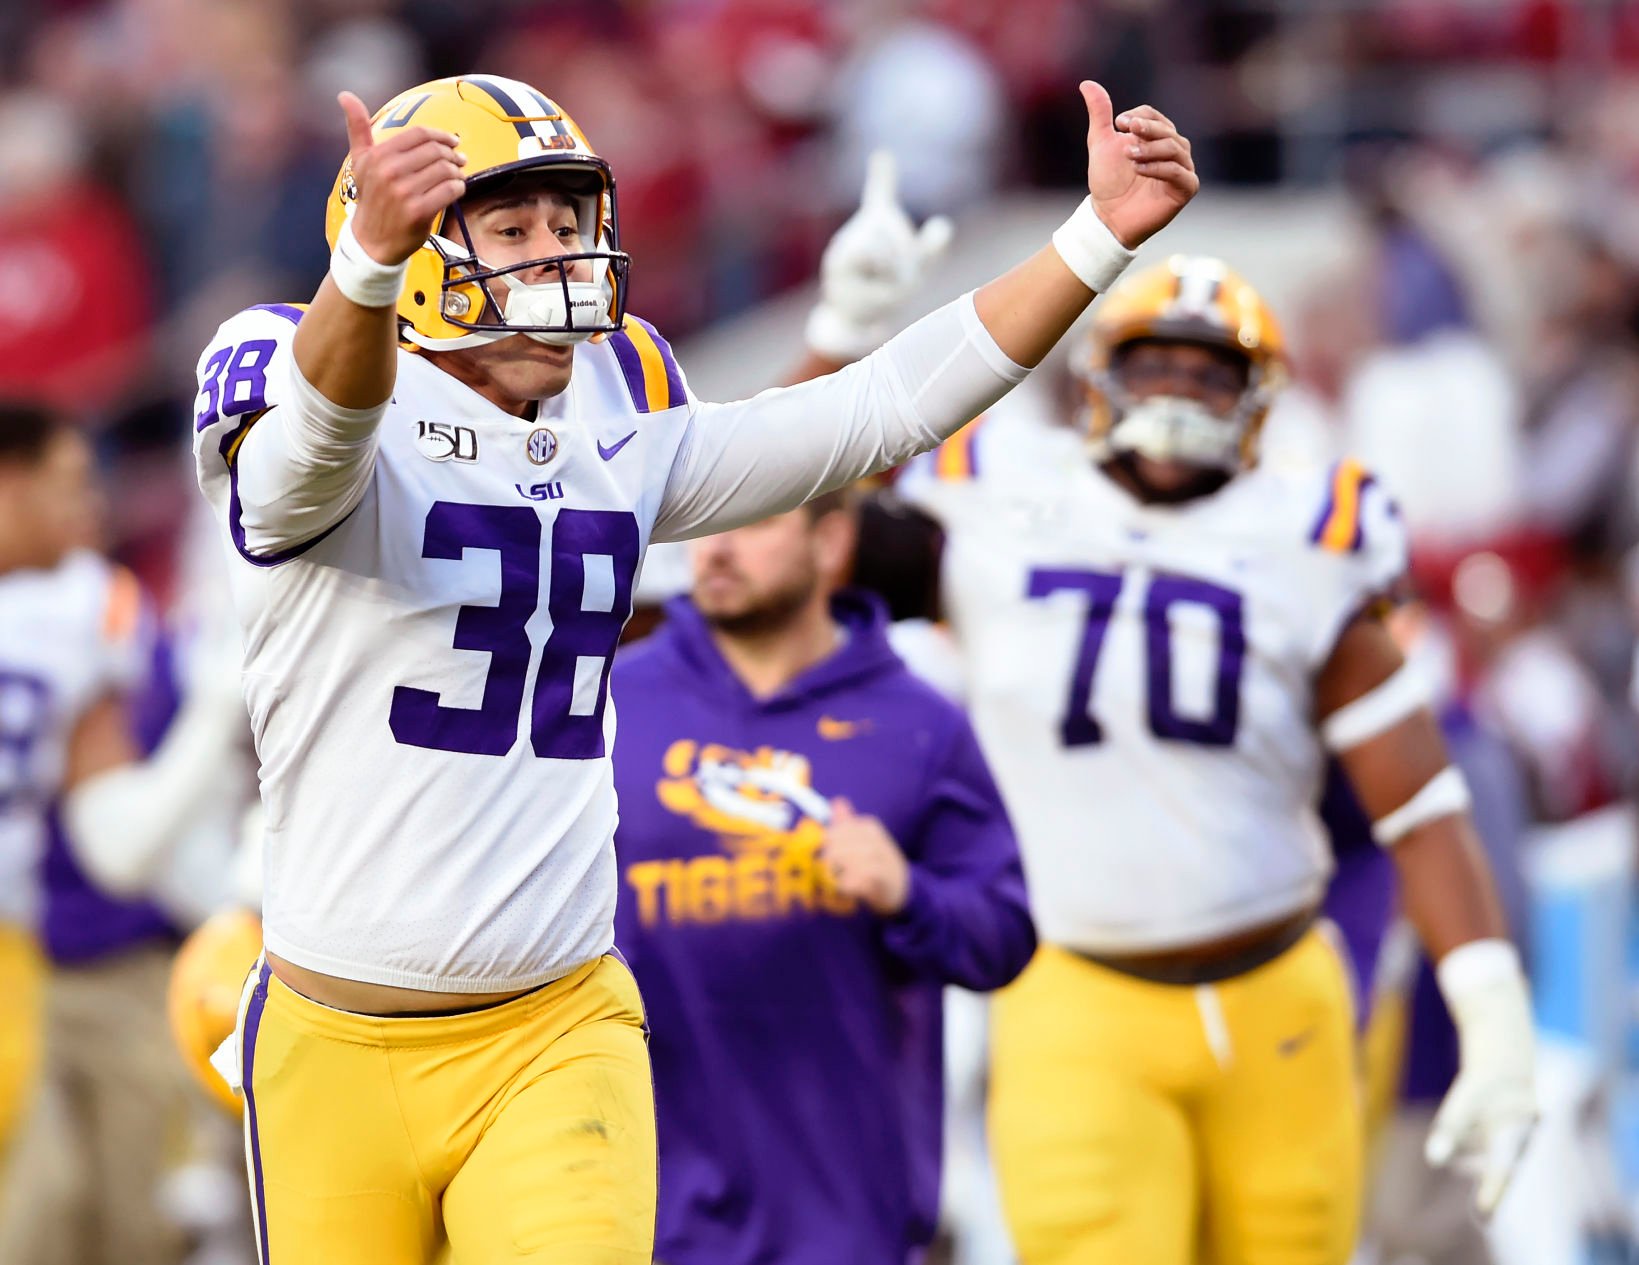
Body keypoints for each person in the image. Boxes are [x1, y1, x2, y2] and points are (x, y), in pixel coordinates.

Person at [187, 71, 1197, 1263]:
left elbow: (872, 414)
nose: (556, 254)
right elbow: (301, 469)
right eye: (511, 227)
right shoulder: (291, 357)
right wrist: (360, 269)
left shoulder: (619, 393)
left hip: (555, 1021)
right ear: (406, 253)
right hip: (333, 1034)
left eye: (569, 222)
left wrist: (1092, 241)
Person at [898, 257, 1538, 1265]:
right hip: (1075, 985)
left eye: (1210, 373)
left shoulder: (1306, 538)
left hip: (1277, 990)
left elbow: (1416, 798)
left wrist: (1491, 1007)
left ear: (1258, 397)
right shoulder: (994, 503)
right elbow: (801, 517)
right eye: (1155, 365)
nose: (1180, 393)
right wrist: (843, 341)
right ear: (1098, 376)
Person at [610, 489, 1034, 1265]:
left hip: (845, 1211)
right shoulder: (606, 703)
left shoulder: (919, 723)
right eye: (703, 525)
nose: (716, 549)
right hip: (639, 1204)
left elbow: (1003, 938)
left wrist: (908, 892)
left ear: (831, 539)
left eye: (754, 519)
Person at [0, 402, 239, 1209]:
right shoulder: (92, 604)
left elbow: (117, 825)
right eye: (68, 483)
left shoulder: (95, 602)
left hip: (36, 942)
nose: (93, 503)